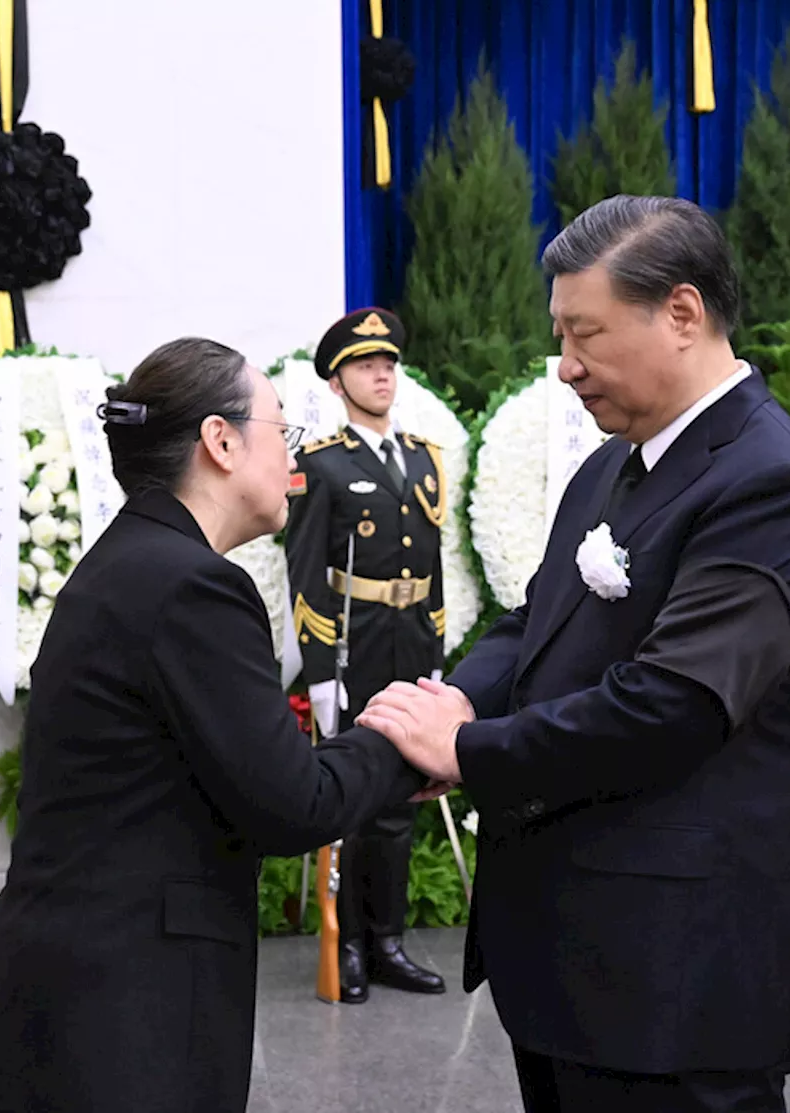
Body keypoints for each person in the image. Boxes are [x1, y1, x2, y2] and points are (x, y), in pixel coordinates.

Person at [358, 195, 790, 1112]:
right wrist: (457, 703)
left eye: (585, 334)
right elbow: (533, 621)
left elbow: (675, 703)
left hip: (676, 979)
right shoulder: (614, 462)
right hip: (573, 962)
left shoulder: (771, 480)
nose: (565, 365)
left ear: (682, 313)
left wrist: (466, 754)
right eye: (559, 334)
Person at [0, 338, 425, 1113]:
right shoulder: (193, 586)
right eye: (280, 433)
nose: (292, 460)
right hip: (125, 1014)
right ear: (221, 441)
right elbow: (294, 805)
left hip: (76, 991)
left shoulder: (131, 559)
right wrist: (406, 737)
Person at [284, 307, 447, 1003]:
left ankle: (387, 941)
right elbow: (304, 571)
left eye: (388, 364)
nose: (381, 374)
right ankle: (345, 942)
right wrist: (320, 672)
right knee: (352, 798)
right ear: (337, 380)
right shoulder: (320, 464)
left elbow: (433, 560)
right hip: (352, 645)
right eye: (364, 365)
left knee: (402, 796)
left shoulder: (422, 455)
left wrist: (435, 651)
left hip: (409, 638)